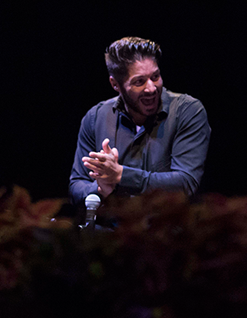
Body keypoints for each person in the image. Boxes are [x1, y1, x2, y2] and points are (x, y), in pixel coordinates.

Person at [69, 37, 211, 207]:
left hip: (167, 231)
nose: (151, 88)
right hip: (111, 231)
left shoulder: (187, 111)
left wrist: (120, 175)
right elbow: (76, 186)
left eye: (155, 77)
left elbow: (186, 183)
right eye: (139, 81)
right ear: (115, 84)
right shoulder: (95, 117)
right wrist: (101, 188)